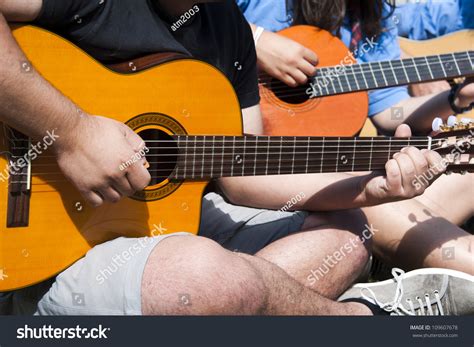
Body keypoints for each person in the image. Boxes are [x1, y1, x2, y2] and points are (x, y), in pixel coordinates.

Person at [0, 0, 471, 316]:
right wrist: (69, 132)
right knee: (202, 276)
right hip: (37, 243)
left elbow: (244, 170)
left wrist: (369, 188)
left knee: (348, 233)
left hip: (166, 226)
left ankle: (235, 299)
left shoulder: (225, 26)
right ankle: (359, 315)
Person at [235, 0, 474, 275]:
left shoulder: (371, 12)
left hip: (335, 166)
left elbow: (388, 110)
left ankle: (403, 249)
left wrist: (456, 98)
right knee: (357, 180)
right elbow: (193, 19)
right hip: (269, 173)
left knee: (464, 158)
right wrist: (255, 39)